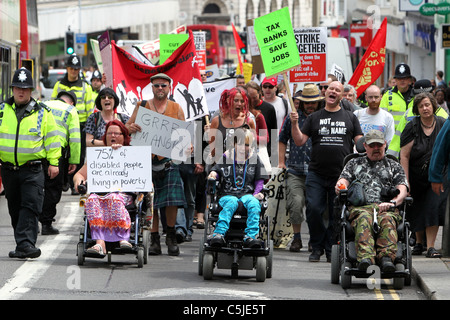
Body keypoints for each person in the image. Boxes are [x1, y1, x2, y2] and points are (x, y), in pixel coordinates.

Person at [290, 81, 363, 262]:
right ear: (325, 93)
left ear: (341, 95)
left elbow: (360, 143)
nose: (333, 91)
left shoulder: (350, 117)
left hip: (341, 175)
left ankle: (332, 249)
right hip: (316, 173)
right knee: (314, 210)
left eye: (337, 90)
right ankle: (317, 246)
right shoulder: (314, 117)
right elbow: (299, 141)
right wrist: (294, 124)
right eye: (331, 88)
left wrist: (374, 142)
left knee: (336, 214)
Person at [1, 68, 61, 258]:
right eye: (18, 88)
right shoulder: (2, 110)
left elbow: (52, 139)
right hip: (9, 169)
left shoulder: (43, 112)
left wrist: (54, 162)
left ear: (31, 90)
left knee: (31, 205)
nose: (21, 92)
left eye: (25, 89)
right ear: (12, 89)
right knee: (14, 207)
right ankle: (22, 244)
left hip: (33, 169)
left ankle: (26, 243)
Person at [126, 73, 186, 256]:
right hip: (146, 160)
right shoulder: (142, 106)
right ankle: (154, 240)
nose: (160, 88)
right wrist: (130, 127)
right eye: (157, 86)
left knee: (170, 202)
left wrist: (188, 144)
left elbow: (184, 134)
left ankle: (170, 236)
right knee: (150, 201)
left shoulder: (176, 108)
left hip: (168, 162)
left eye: (164, 86)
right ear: (152, 88)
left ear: (170, 88)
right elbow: (126, 127)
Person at [335, 129, 409, 272]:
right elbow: (342, 181)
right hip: (360, 207)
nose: (376, 148)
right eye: (372, 145)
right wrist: (340, 186)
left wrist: (392, 202)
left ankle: (387, 259)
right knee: (364, 219)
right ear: (365, 147)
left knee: (387, 219)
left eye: (379, 145)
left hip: (386, 207)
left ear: (385, 145)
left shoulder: (394, 166)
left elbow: (403, 189)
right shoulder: (353, 163)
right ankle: (365, 259)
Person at [73, 120, 134, 256]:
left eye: (117, 133)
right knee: (92, 199)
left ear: (124, 136)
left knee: (113, 197)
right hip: (100, 194)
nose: (113, 136)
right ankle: (100, 243)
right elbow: (80, 174)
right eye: (109, 133)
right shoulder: (99, 155)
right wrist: (79, 181)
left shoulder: (132, 154)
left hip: (123, 195)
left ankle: (123, 238)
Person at [399, 92, 448, 258]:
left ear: (433, 105)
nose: (425, 108)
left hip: (437, 176)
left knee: (432, 208)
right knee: (418, 208)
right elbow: (404, 155)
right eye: (421, 106)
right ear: (416, 109)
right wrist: (405, 181)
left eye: (427, 105)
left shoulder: (442, 124)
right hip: (415, 175)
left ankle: (431, 246)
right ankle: (419, 243)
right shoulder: (411, 127)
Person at [278, 84, 324, 252]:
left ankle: (314, 238)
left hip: (316, 171)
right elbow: (282, 139)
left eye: (313, 102)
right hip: (295, 170)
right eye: (307, 103)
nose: (310, 106)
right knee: (295, 204)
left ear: (319, 102)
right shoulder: (293, 118)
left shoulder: (323, 117)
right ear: (302, 103)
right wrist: (281, 162)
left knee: (314, 208)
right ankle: (296, 238)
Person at [207, 128, 265, 248]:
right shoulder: (226, 157)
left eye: (247, 145)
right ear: (234, 144)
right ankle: (219, 233)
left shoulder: (255, 159)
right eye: (240, 144)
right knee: (231, 202)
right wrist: (213, 174)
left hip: (247, 195)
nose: (243, 148)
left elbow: (260, 180)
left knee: (254, 203)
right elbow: (216, 171)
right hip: (228, 194)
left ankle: (251, 236)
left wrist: (257, 193)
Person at [52, 54, 95, 194]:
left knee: (78, 155)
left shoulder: (85, 87)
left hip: (80, 124)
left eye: (76, 69)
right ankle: (64, 180)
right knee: (63, 153)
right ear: (67, 68)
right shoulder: (59, 85)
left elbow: (89, 108)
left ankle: (74, 184)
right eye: (71, 68)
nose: (74, 71)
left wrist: (90, 126)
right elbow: (52, 105)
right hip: (62, 125)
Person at [39, 90, 81, 235]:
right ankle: (46, 223)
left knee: (36, 186)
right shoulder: (71, 110)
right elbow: (75, 138)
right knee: (52, 188)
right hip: (57, 154)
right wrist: (74, 161)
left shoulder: (42, 104)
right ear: (72, 102)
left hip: (36, 151)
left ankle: (31, 221)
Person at [387, 79, 448, 158]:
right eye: (419, 97)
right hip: (414, 163)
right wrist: (391, 160)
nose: (422, 100)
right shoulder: (408, 114)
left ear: (431, 95)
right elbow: (398, 138)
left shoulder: (443, 116)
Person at [205, 87, 256, 161]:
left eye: (242, 101)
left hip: (242, 166)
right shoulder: (216, 121)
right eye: (236, 100)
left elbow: (253, 147)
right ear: (228, 100)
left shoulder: (248, 121)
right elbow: (213, 149)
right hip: (221, 165)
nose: (239, 104)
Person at [246, 81, 277, 157]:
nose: (252, 101)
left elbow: (273, 132)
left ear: (259, 93)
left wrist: (271, 153)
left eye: (254, 97)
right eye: (249, 98)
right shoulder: (243, 109)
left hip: (263, 151)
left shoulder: (269, 109)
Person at [380, 63, 414, 131]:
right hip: (393, 137)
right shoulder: (387, 96)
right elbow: (382, 118)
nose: (402, 80)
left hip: (413, 135)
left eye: (405, 78)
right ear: (395, 80)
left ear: (409, 80)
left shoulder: (417, 96)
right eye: (399, 78)